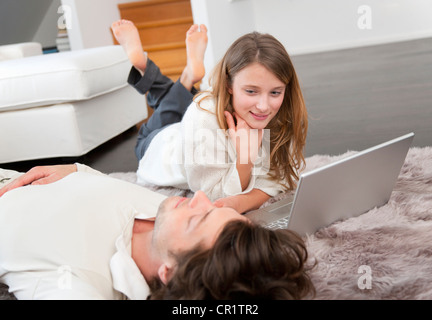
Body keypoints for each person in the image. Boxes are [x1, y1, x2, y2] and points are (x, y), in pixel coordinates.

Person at [0, 165, 315, 300]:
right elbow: (106, 192)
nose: (199, 198)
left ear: (169, 272)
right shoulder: (168, 217)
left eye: (198, 219)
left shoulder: (76, 281)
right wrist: (75, 170)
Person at [111, 20, 308, 214]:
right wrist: (245, 160)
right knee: (162, 119)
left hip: (186, 129)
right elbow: (214, 197)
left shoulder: (283, 112)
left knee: (173, 99)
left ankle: (185, 75)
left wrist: (244, 201)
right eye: (251, 91)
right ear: (229, 85)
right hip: (158, 144)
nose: (264, 106)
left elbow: (280, 179)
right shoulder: (204, 115)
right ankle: (179, 74)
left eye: (275, 92)